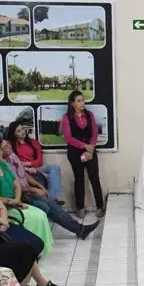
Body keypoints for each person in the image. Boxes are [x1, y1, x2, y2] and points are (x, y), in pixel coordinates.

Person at [0, 139, 99, 239]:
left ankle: (80, 229)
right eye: (5, 147)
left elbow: (24, 174)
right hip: (22, 195)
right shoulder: (3, 165)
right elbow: (16, 186)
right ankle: (80, 229)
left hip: (29, 190)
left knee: (51, 205)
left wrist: (39, 186)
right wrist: (35, 190)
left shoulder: (12, 156)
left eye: (8, 144)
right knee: (48, 205)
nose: (9, 147)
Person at [0, 141, 54, 255]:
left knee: (41, 213)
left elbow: (16, 183)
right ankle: (33, 251)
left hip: (14, 202)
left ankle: (39, 249)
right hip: (3, 207)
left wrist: (17, 200)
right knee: (35, 217)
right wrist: (12, 202)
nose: (1, 152)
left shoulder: (2, 164)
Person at [62, 90, 105, 219]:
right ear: (72, 103)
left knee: (94, 178)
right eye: (79, 101)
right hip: (75, 152)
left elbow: (95, 133)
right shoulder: (67, 117)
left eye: (83, 100)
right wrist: (84, 146)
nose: (82, 103)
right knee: (79, 179)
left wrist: (90, 148)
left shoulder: (89, 115)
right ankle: (80, 207)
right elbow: (69, 138)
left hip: (90, 150)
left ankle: (100, 206)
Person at [6, 121, 63, 205]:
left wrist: (28, 164)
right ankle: (52, 201)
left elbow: (39, 160)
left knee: (54, 168)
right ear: (14, 134)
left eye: (22, 129)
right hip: (21, 170)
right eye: (18, 131)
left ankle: (54, 198)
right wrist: (26, 167)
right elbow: (13, 162)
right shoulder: (10, 145)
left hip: (35, 167)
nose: (22, 132)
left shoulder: (33, 142)